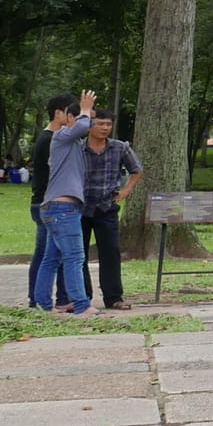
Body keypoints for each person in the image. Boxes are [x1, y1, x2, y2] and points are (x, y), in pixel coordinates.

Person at [33, 88, 96, 315]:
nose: (88, 122)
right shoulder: (61, 137)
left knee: (52, 257)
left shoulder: (70, 144)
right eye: (82, 116)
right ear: (69, 118)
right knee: (74, 257)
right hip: (63, 208)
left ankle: (43, 303)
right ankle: (81, 304)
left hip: (58, 208)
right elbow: (81, 126)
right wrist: (85, 109)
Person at [80, 109, 142, 311]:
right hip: (80, 207)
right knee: (78, 254)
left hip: (106, 207)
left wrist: (126, 190)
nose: (105, 128)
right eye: (100, 124)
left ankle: (114, 297)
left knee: (111, 252)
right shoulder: (78, 148)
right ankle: (82, 296)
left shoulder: (120, 147)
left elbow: (136, 169)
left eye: (108, 124)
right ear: (90, 125)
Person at [26, 95, 79, 308]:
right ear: (58, 113)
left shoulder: (52, 138)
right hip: (48, 203)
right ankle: (38, 299)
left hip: (47, 202)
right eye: (70, 111)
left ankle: (54, 299)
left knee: (52, 254)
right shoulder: (50, 140)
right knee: (46, 255)